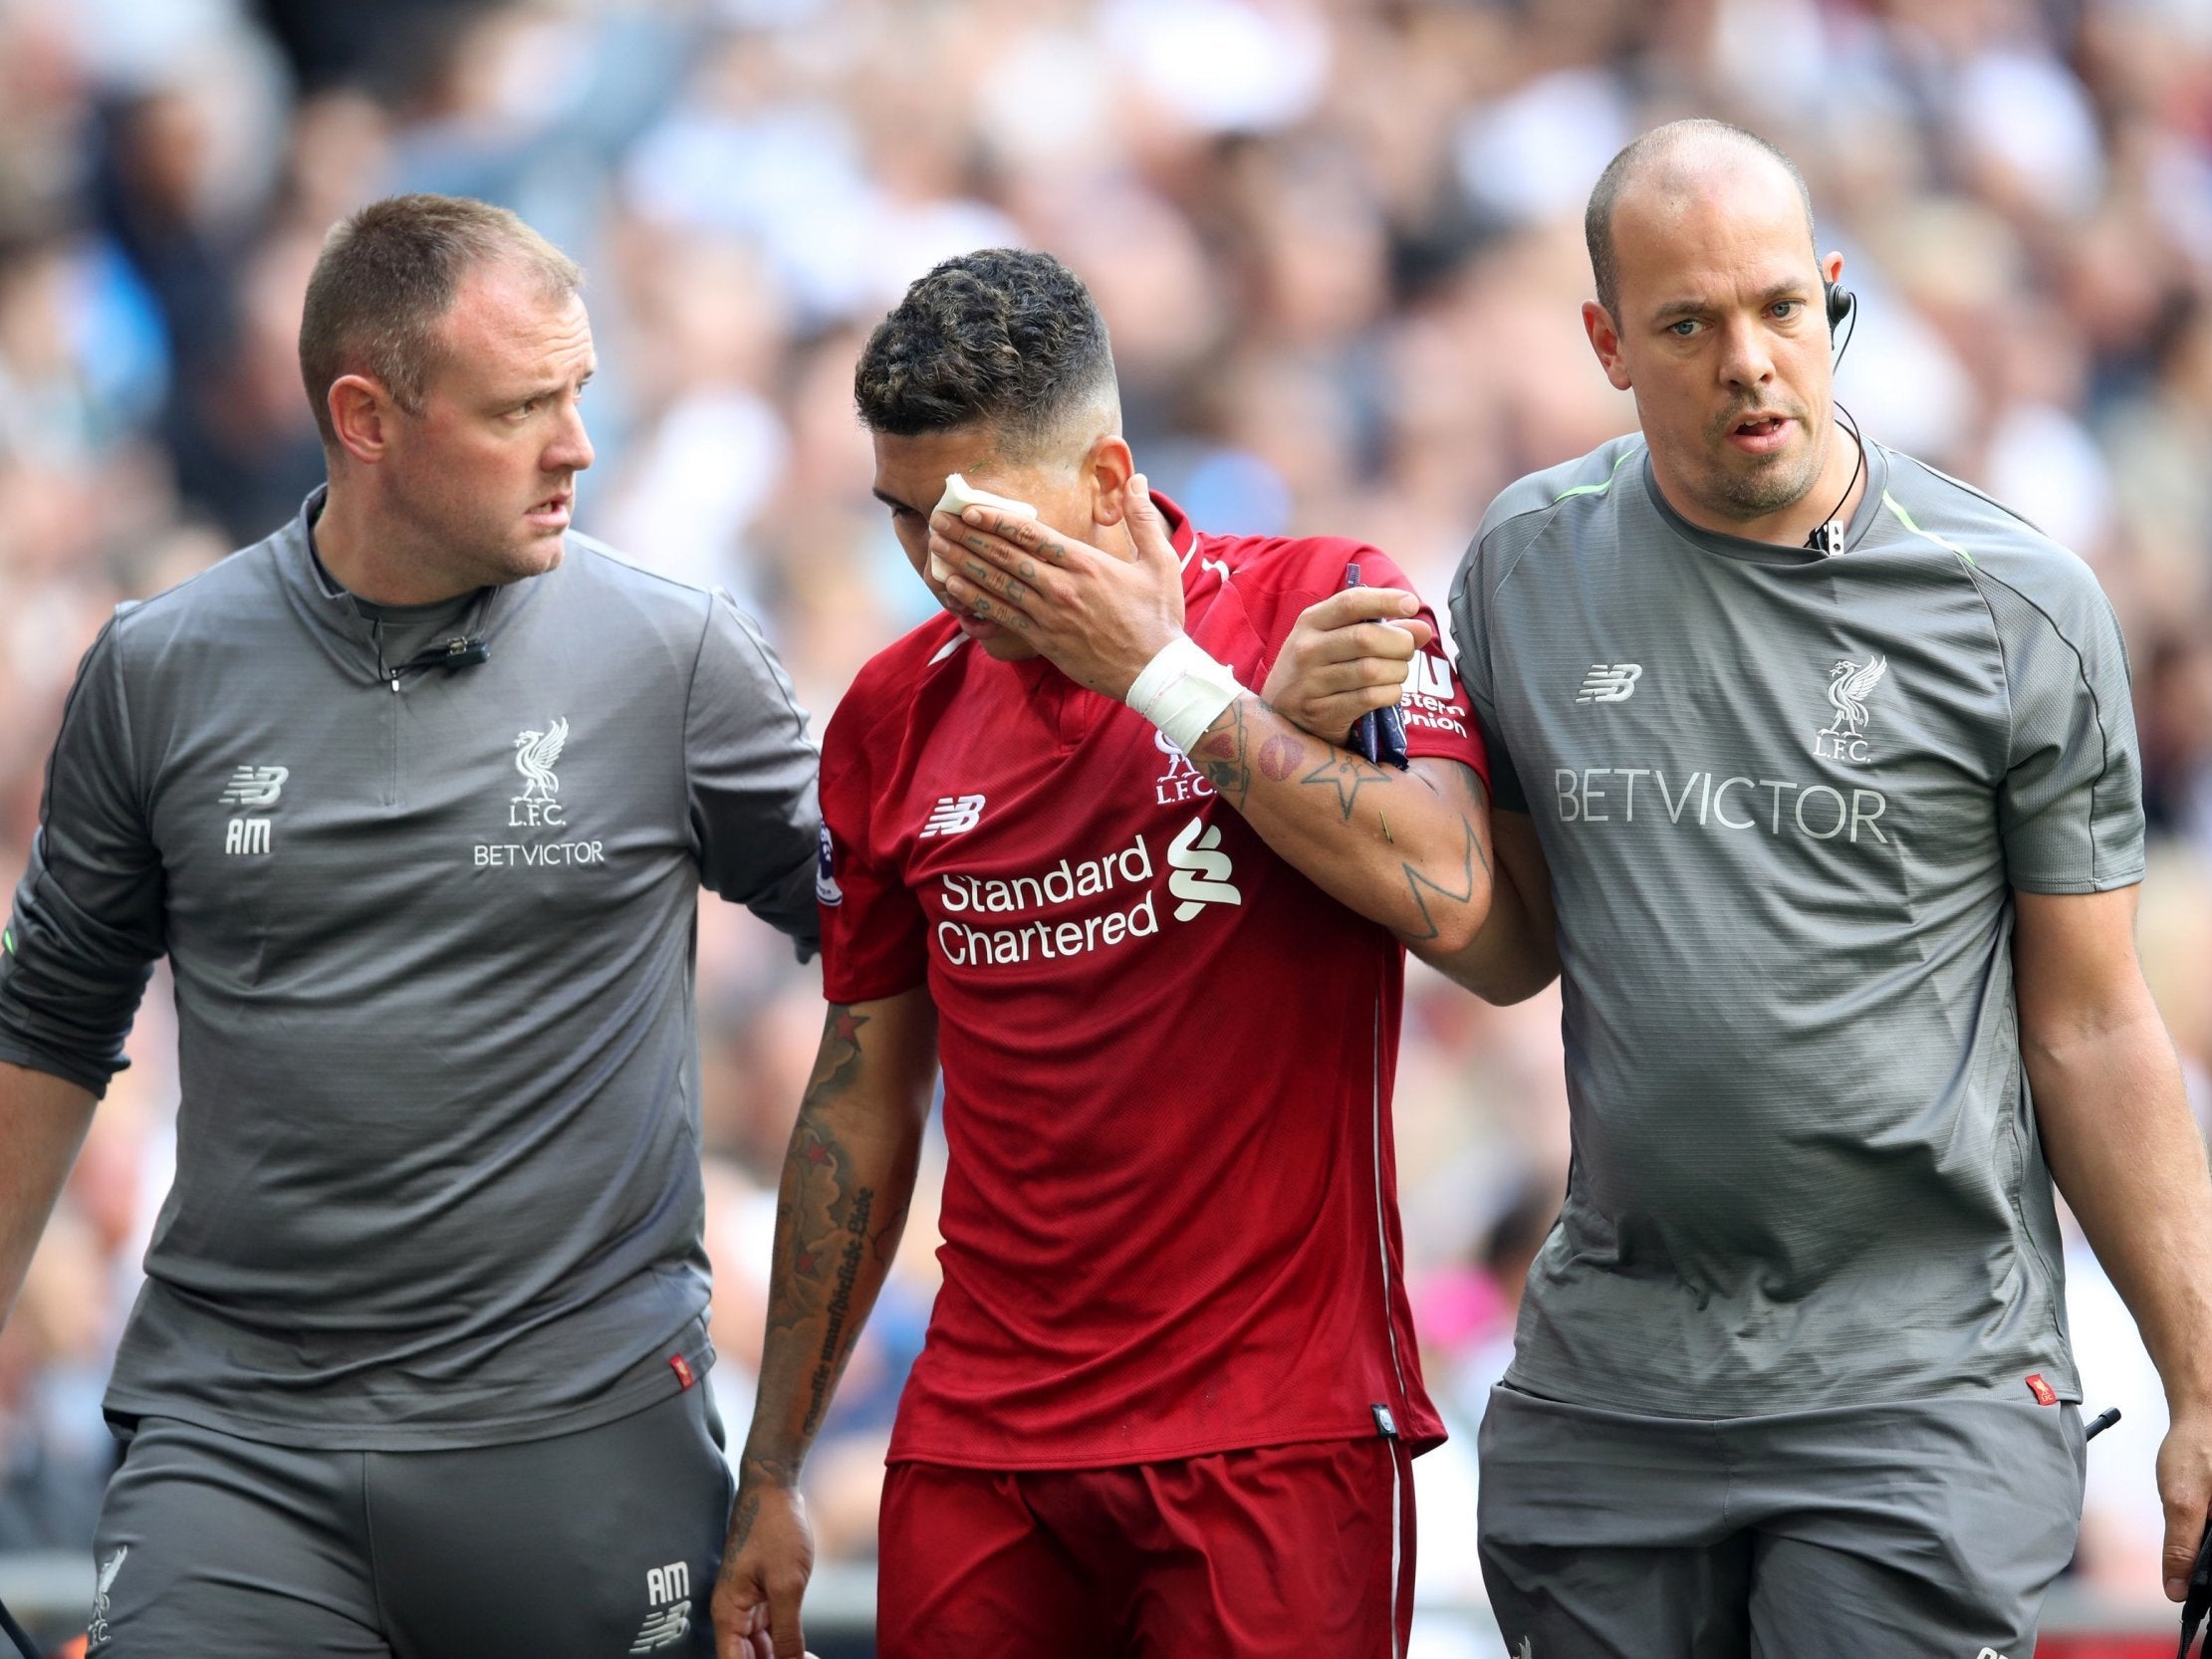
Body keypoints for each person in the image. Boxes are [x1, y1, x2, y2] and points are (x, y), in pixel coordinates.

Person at [1289, 117, 2212, 1656]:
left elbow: (2094, 1031)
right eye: (1686, 323)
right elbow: (1508, 938)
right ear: (1604, 342)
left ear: (1832, 296)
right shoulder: (1524, 564)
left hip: (1918, 1383)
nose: (1748, 360)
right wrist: (1308, 739)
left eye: (1781, 308)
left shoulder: (2014, 606)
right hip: (1614, 1384)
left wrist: (2200, 1382)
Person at [0, 194, 823, 1659]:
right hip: (238, 1447)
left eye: (579, 393)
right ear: (365, 417)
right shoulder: (157, 668)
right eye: (523, 408)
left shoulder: (677, 657)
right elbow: (48, 1026)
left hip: (587, 1441)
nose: (577, 444)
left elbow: (892, 950)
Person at [710, 248, 1494, 1659]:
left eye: (975, 525)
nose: (940, 567)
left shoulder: (1316, 604)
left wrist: (1175, 685)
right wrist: (772, 1462)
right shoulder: (891, 716)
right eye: (903, 523)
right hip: (981, 1442)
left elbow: (1449, 889)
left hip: (1270, 1430)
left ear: (1108, 476)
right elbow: (858, 1092)